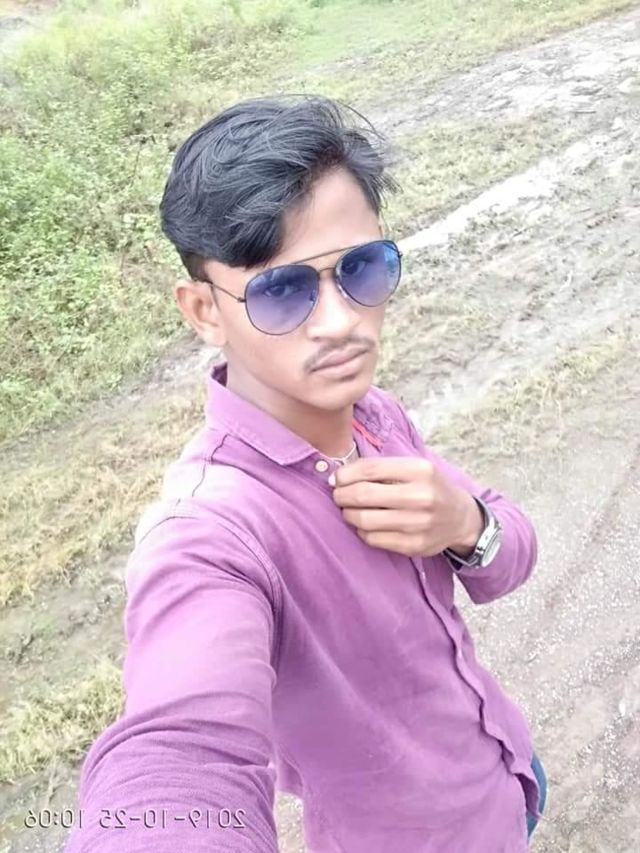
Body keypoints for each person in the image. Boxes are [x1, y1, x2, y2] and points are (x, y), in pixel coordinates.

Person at [64, 95, 547, 853]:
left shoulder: (374, 416)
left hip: (509, 776)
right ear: (203, 310)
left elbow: (511, 550)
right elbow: (181, 751)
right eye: (282, 290)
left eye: (361, 268)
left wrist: (466, 525)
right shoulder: (213, 532)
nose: (340, 321)